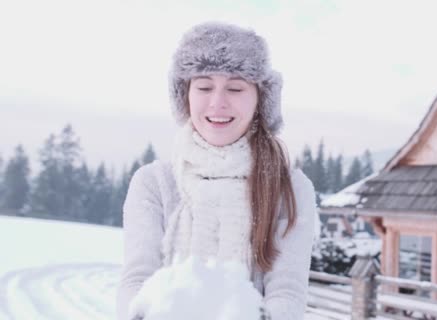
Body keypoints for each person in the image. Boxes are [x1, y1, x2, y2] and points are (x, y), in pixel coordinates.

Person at [116, 21, 317, 320]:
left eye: (235, 88)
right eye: (204, 86)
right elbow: (137, 281)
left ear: (261, 98)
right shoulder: (154, 183)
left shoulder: (291, 188)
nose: (218, 103)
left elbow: (287, 291)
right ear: (185, 95)